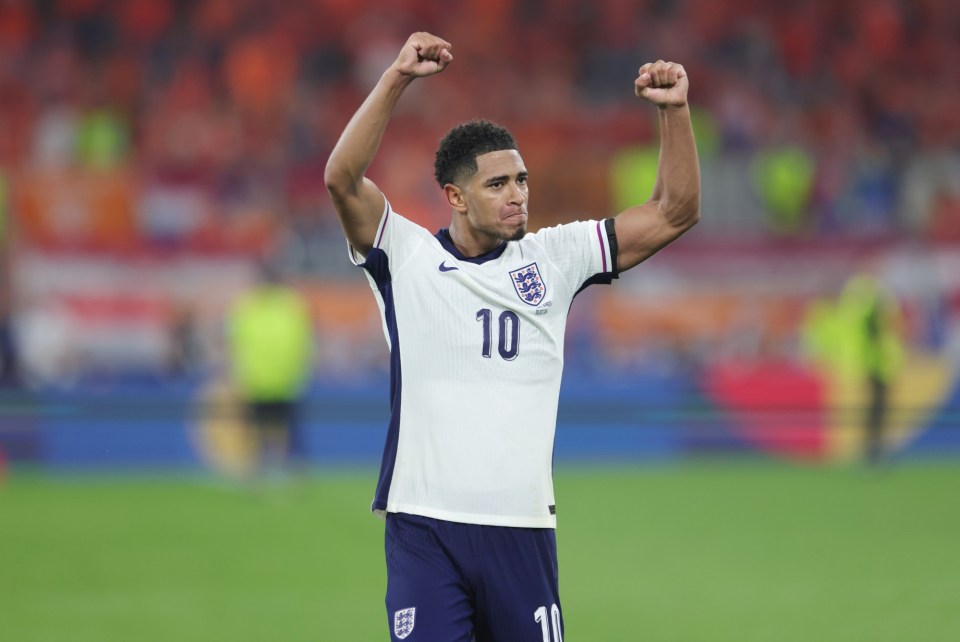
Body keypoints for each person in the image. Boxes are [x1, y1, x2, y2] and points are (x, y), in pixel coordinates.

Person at [324, 32, 700, 641]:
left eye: (521, 180)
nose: (518, 195)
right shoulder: (407, 256)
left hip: (520, 528)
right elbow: (342, 179)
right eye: (498, 184)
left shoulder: (554, 257)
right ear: (455, 197)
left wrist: (675, 112)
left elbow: (674, 211)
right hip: (425, 528)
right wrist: (397, 77)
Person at [227, 259, 314, 482]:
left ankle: (271, 471)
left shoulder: (251, 306)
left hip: (268, 380)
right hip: (274, 380)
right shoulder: (289, 304)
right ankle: (274, 469)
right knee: (276, 430)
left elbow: (236, 341)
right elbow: (303, 341)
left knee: (271, 430)